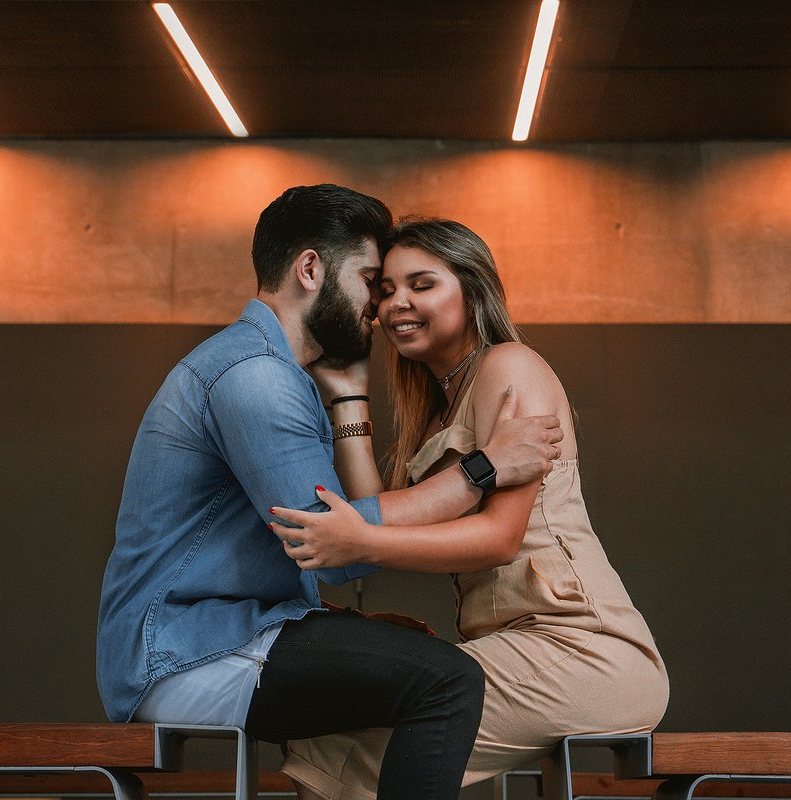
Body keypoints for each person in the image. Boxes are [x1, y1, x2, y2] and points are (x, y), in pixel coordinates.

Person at [95, 186, 565, 800]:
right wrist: (484, 469)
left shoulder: (272, 369)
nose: (380, 306)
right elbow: (336, 544)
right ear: (311, 270)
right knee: (447, 681)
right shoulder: (255, 377)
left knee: (413, 671)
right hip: (185, 652)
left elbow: (339, 540)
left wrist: (348, 399)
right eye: (371, 281)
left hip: (219, 637)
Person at [270, 217, 670, 800]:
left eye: (422, 284)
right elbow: (374, 510)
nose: (396, 303)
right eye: (386, 289)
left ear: (472, 290)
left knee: (336, 750)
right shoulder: (437, 408)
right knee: (326, 736)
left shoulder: (509, 366)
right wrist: (350, 395)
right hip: (519, 647)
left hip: (583, 649)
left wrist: (362, 541)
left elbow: (499, 538)